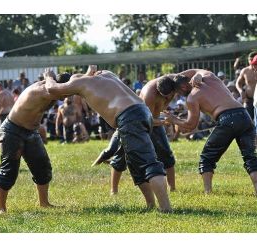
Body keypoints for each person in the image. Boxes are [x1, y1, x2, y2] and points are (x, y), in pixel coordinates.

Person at [45, 68, 172, 212]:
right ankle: (150, 205)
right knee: (135, 164)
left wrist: (49, 76)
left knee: (148, 162)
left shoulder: (79, 83)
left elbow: (53, 89)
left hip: (128, 117)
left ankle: (166, 208)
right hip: (142, 112)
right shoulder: (105, 74)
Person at [164, 70, 257, 198]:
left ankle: (208, 193)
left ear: (183, 87)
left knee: (207, 157)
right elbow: (201, 71)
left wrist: (174, 120)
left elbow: (191, 125)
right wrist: (197, 75)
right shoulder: (210, 78)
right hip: (244, 116)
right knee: (250, 156)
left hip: (227, 119)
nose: (181, 96)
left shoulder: (192, 97)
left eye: (179, 93)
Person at [0, 71, 72, 214]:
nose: (66, 96)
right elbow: (51, 87)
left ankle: (44, 203)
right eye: (66, 92)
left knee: (43, 167)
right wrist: (49, 76)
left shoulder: (53, 90)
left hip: (31, 132)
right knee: (9, 170)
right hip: (12, 130)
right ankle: (1, 207)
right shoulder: (44, 89)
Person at [92, 74, 178, 194]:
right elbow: (147, 120)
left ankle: (173, 188)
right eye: (165, 96)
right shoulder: (149, 95)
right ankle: (114, 190)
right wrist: (165, 121)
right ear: (158, 91)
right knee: (121, 156)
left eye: (170, 95)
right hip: (135, 125)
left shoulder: (174, 84)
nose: (168, 97)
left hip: (156, 122)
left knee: (166, 154)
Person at [235, 51, 257, 120]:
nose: (251, 61)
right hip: (249, 100)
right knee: (247, 120)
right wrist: (241, 91)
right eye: (249, 60)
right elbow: (238, 83)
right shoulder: (245, 71)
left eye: (252, 59)